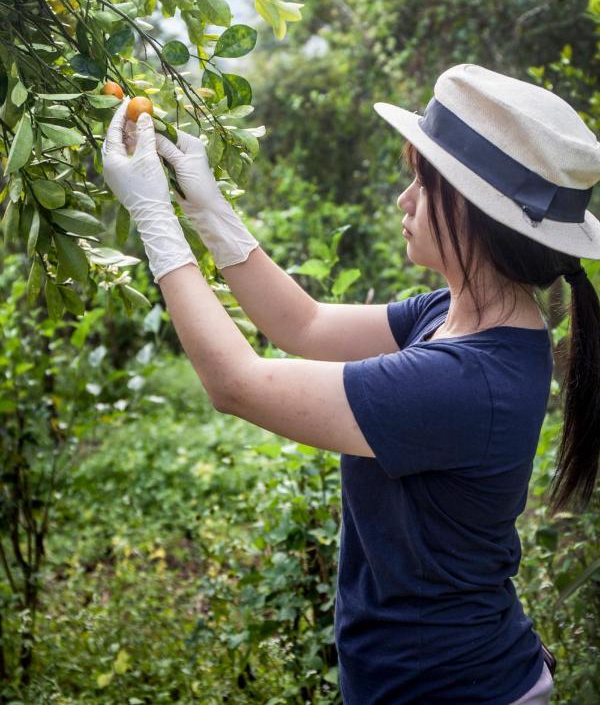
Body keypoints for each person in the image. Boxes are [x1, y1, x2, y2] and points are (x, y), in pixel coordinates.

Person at [101, 63, 600, 704]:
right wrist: (209, 212)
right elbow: (303, 323)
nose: (405, 200)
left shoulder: (464, 382)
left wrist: (154, 219)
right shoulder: (458, 317)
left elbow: (237, 383)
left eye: (422, 183)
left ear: (476, 214)